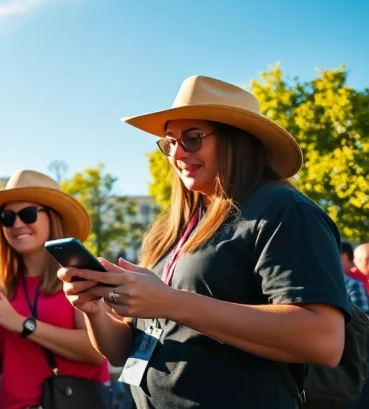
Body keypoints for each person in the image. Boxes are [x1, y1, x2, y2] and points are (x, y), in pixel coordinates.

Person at [60, 75, 348, 408]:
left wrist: (170, 302)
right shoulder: (171, 228)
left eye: (192, 138)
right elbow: (124, 350)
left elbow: (324, 340)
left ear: (236, 140)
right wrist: (94, 310)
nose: (177, 153)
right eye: (169, 142)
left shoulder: (282, 208)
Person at [0, 170, 109, 409]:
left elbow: (98, 352)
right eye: (7, 217)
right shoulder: (0, 285)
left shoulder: (79, 275)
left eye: (28, 214)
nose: (17, 224)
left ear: (52, 218)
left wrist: (23, 324)